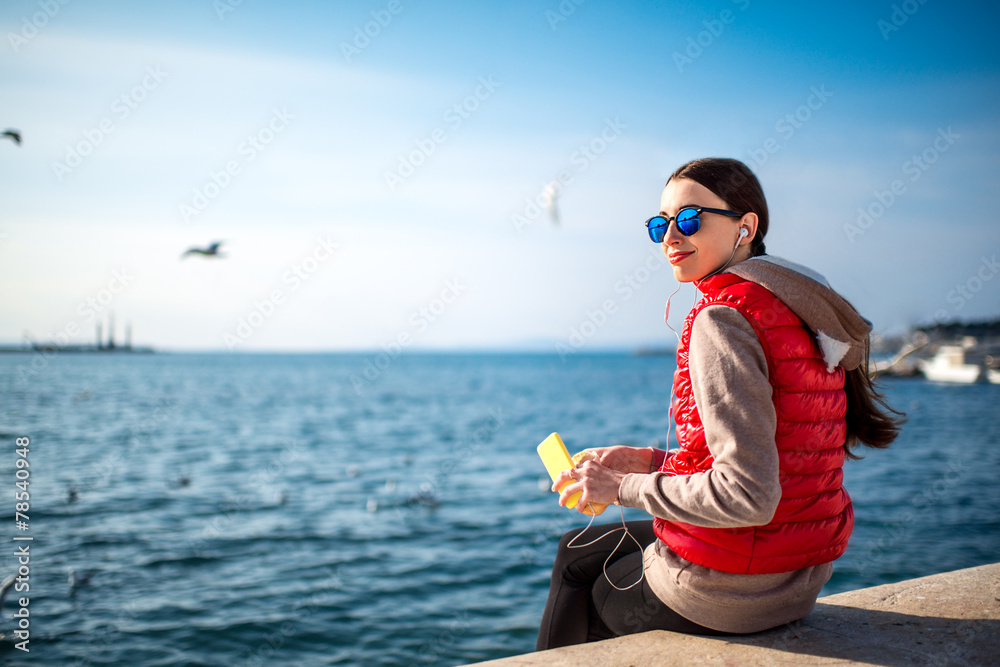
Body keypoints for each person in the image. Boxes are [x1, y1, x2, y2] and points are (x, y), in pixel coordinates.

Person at [536, 157, 904, 649]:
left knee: (593, 587)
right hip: (796, 573)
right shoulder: (791, 305)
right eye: (659, 224)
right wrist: (646, 461)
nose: (670, 236)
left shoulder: (723, 321)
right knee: (575, 551)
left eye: (689, 219)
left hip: (734, 589)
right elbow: (772, 459)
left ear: (745, 226)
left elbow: (748, 496)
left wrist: (621, 486)